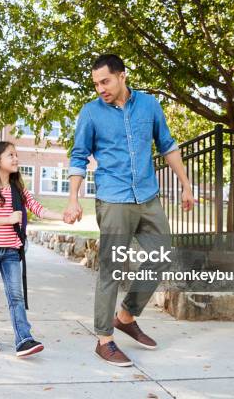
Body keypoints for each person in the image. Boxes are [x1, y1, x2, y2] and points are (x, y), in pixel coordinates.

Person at [64, 54, 195, 367]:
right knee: (112, 268)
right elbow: (79, 156)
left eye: (105, 81)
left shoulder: (149, 105)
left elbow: (168, 145)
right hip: (114, 198)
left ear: (122, 75)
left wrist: (186, 185)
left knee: (162, 254)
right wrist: (73, 198)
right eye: (96, 84)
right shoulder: (91, 113)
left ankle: (125, 316)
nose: (100, 89)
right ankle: (104, 339)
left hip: (148, 197)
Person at [0, 141, 64, 357]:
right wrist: (8, 218)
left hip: (12, 250)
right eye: (10, 155)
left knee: (16, 296)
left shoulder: (18, 188)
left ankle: (24, 339)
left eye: (16, 154)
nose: (16, 159)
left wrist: (64, 217)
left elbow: (38, 208)